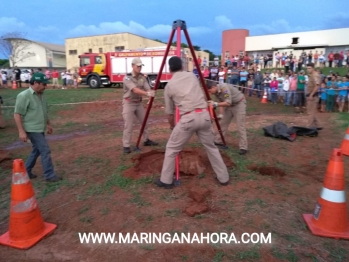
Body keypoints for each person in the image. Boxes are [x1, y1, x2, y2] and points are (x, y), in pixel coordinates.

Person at [154, 56, 229, 189]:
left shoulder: (169, 86)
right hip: (205, 116)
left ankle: (166, 180)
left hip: (188, 119)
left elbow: (170, 113)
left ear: (169, 69)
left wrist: (172, 126)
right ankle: (223, 177)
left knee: (171, 148)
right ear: (182, 67)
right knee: (211, 147)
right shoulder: (192, 77)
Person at [13, 72, 61, 182]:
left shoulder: (41, 95)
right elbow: (17, 114)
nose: (46, 87)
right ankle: (49, 175)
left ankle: (26, 171)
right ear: (35, 83)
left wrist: (48, 124)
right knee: (45, 150)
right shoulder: (24, 96)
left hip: (40, 128)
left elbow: (44, 111)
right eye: (44, 84)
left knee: (37, 150)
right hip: (31, 129)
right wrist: (21, 131)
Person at [122, 57, 158, 154]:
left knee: (144, 122)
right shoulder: (127, 78)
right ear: (132, 66)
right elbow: (134, 90)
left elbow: (147, 88)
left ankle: (146, 140)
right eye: (138, 66)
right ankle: (126, 146)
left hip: (138, 103)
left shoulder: (142, 78)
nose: (139, 68)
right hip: (129, 103)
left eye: (140, 66)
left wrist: (151, 93)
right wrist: (147, 94)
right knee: (128, 125)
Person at [206, 81, 248, 155]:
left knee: (240, 126)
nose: (210, 93)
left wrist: (215, 104)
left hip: (239, 104)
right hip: (229, 106)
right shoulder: (216, 92)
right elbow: (221, 103)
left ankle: (243, 147)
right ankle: (218, 140)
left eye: (209, 90)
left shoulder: (224, 88)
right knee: (222, 123)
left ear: (213, 87)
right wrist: (221, 115)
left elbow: (228, 102)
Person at [305, 63, 322, 128]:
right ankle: (318, 125)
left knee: (310, 112)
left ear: (313, 68)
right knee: (310, 111)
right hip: (311, 95)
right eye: (307, 68)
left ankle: (309, 127)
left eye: (309, 68)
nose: (308, 70)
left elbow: (317, 86)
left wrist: (311, 95)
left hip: (313, 95)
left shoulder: (315, 75)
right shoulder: (311, 75)